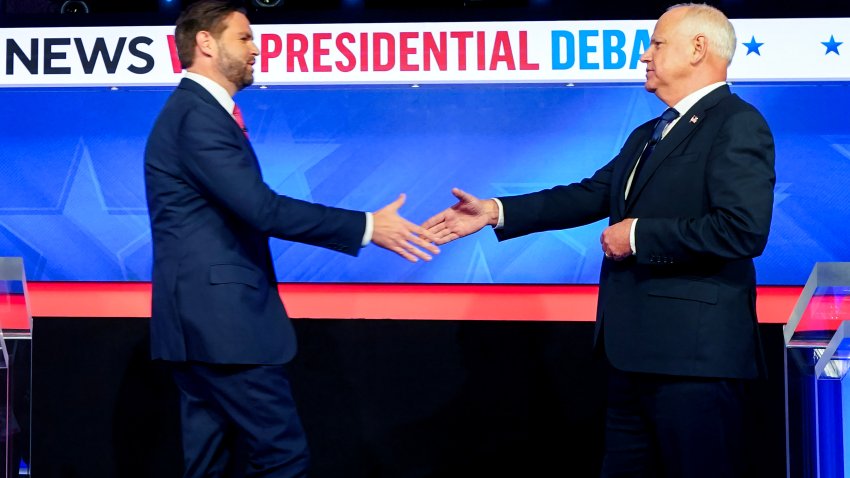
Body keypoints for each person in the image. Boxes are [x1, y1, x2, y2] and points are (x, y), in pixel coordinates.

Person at [423, 4, 774, 477]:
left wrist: (640, 234)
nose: (645, 56)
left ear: (698, 48)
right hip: (631, 359)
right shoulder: (648, 133)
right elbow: (590, 194)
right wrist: (496, 211)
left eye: (657, 43)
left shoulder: (735, 123)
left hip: (694, 364)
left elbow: (742, 228)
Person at [144, 1, 439, 476]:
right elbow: (261, 208)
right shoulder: (197, 117)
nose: (256, 48)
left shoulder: (194, 113)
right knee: (282, 457)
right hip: (224, 329)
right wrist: (366, 226)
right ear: (205, 43)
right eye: (243, 37)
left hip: (202, 327)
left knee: (208, 466)